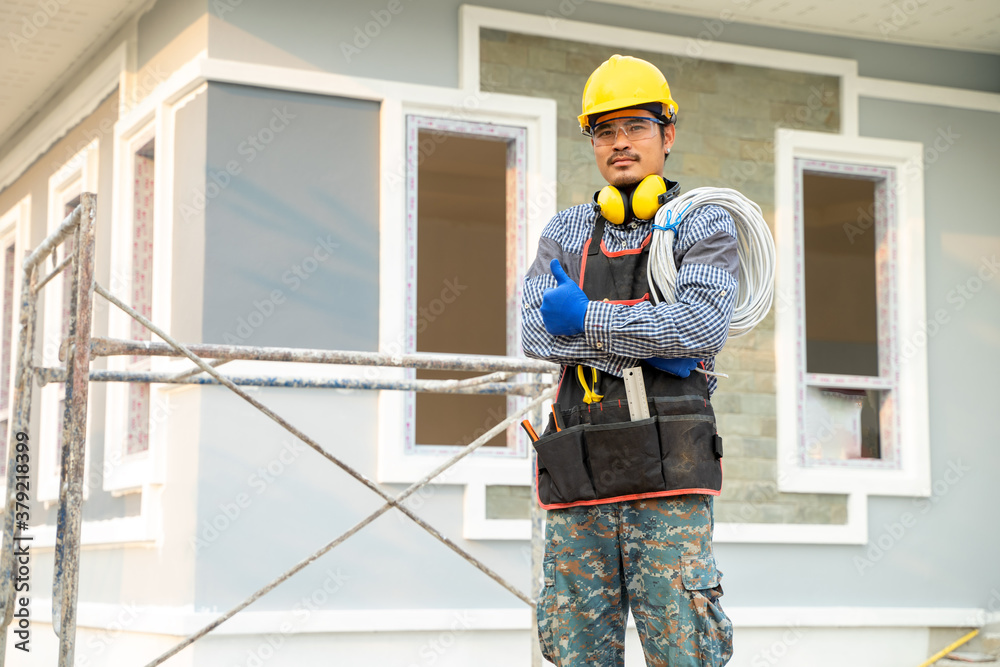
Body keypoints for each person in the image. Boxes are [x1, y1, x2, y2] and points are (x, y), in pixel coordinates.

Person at [521, 54, 736, 666]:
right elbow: (534, 333)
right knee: (575, 653)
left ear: (667, 136)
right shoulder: (565, 232)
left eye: (635, 127)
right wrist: (656, 342)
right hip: (578, 482)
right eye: (605, 131)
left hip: (669, 479)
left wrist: (585, 319)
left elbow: (700, 326)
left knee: (685, 652)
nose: (620, 144)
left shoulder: (703, 224)